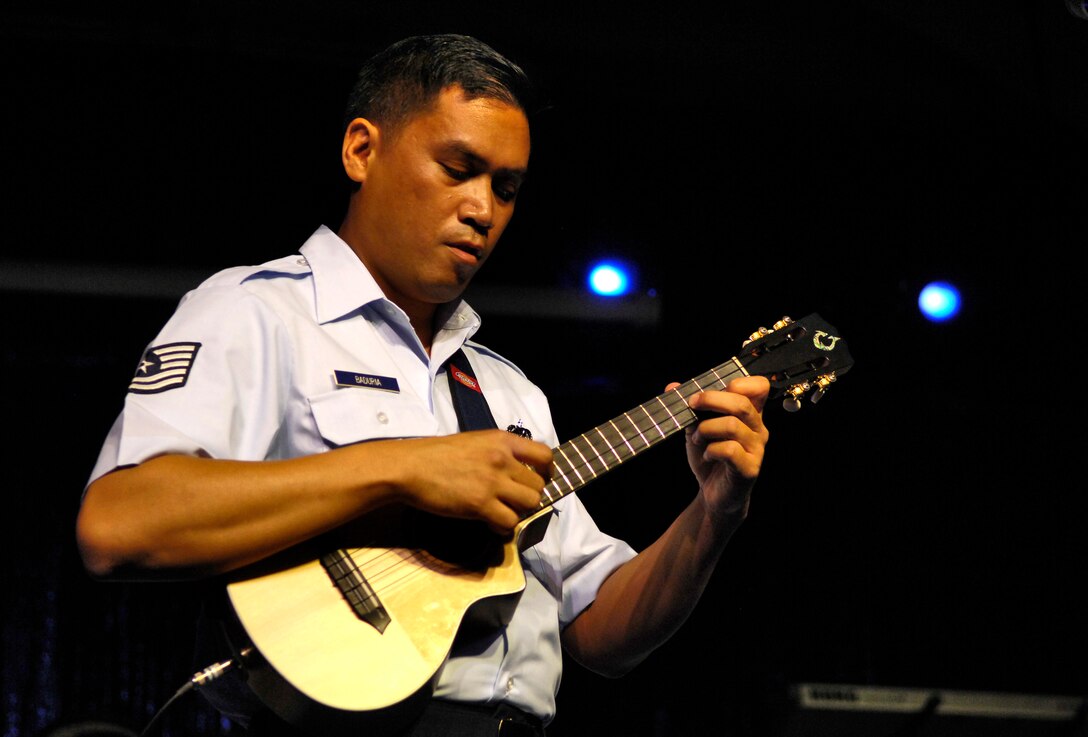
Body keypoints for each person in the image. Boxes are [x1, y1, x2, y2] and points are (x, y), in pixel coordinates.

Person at [75, 34, 770, 737]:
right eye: (458, 168)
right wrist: (406, 466)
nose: (483, 209)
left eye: (506, 187)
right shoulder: (260, 313)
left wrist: (713, 515)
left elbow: (600, 633)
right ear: (361, 151)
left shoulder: (508, 392)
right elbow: (118, 524)